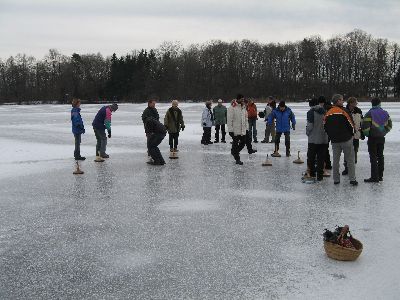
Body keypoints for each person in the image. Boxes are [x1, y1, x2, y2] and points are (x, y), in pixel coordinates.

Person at [324, 94, 358, 186]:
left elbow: (325, 126)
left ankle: (336, 179)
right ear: (338, 101)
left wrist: (331, 136)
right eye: (342, 100)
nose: (343, 101)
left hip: (335, 141)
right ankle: (352, 179)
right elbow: (351, 125)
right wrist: (352, 133)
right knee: (350, 160)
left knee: (335, 160)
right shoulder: (344, 111)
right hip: (346, 139)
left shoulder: (328, 112)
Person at [361, 98, 392, 182]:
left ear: (372, 104)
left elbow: (365, 127)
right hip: (381, 138)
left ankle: (374, 177)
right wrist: (384, 132)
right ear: (379, 103)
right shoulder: (385, 113)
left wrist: (368, 134)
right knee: (380, 156)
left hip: (372, 138)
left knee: (373, 157)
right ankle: (380, 176)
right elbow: (389, 125)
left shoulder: (369, 113)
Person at [306, 97, 328, 181]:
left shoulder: (311, 112)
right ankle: (320, 176)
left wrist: (307, 133)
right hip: (324, 139)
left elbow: (310, 126)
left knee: (311, 157)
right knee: (321, 158)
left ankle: (311, 174)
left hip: (313, 139)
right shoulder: (325, 111)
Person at [342, 97, 363, 175]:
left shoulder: (358, 111)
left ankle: (353, 165)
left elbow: (361, 122)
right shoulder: (344, 111)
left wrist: (362, 132)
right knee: (347, 152)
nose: (356, 103)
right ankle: (346, 168)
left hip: (356, 135)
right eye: (355, 102)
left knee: (355, 151)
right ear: (350, 103)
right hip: (346, 135)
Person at [227, 94, 248, 165]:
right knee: (235, 144)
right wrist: (230, 130)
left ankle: (234, 152)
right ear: (238, 99)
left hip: (242, 130)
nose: (243, 101)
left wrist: (246, 128)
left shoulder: (243, 107)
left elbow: (245, 119)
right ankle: (237, 159)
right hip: (235, 130)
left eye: (243, 99)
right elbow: (229, 120)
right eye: (241, 99)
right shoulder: (232, 107)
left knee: (243, 143)